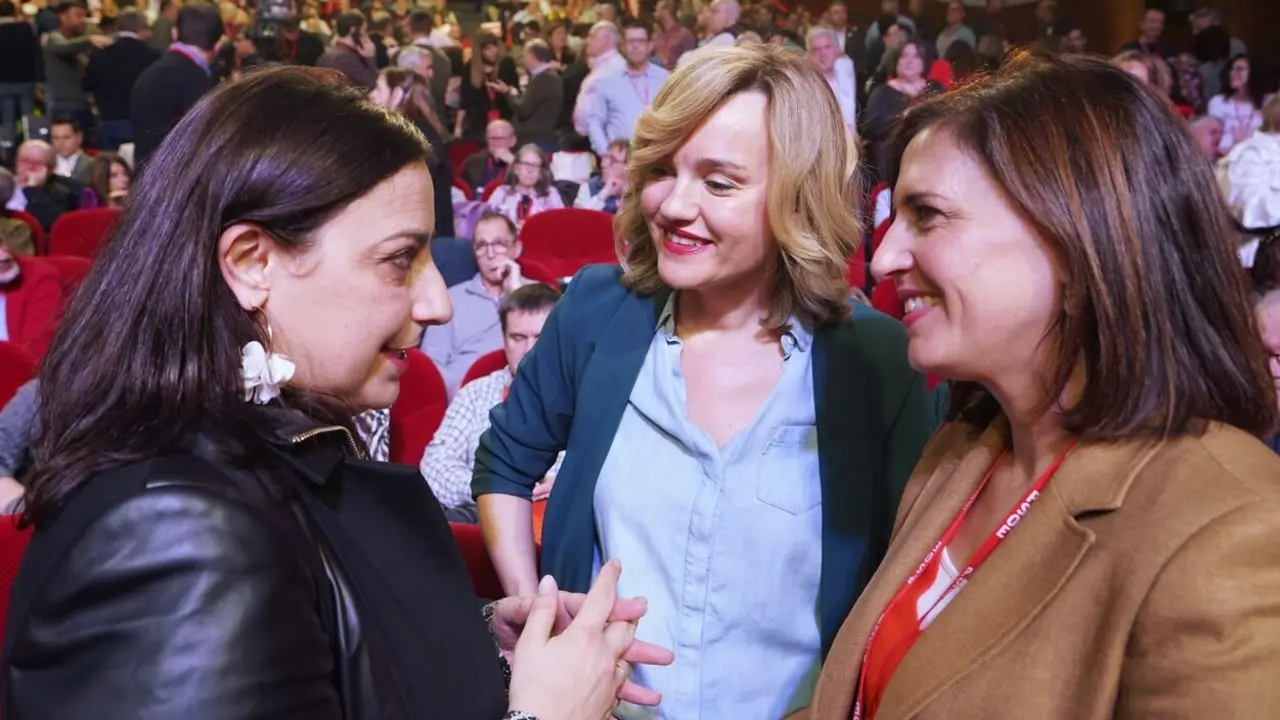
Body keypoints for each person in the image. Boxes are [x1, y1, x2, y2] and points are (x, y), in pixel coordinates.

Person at [2, 66, 673, 720]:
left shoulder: (256, 458)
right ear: (252, 264)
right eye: (397, 260)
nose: (437, 303)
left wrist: (468, 645)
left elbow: (306, 639)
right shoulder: (173, 533)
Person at [806, 50, 1280, 720]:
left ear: (1075, 233)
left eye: (929, 215)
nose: (883, 257)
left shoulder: (1231, 529)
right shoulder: (966, 446)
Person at [474, 44, 937, 720]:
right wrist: (544, 616)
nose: (674, 205)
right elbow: (505, 464)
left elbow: (910, 583)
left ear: (796, 197)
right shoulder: (598, 311)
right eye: (662, 169)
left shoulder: (877, 361)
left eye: (719, 182)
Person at [421, 282, 562, 522]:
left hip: (560, 519)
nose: (529, 349)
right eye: (518, 337)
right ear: (503, 339)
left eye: (540, 337)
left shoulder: (582, 392)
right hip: (483, 519)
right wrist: (496, 488)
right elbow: (434, 466)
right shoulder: (475, 393)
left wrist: (561, 483)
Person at [129, 1, 220, 168]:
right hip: (175, 182)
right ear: (218, 44)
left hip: (148, 179)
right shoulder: (198, 80)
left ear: (174, 33)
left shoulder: (151, 72)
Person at [370, 67, 455, 237]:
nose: (371, 94)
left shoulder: (410, 136)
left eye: (379, 88)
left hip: (420, 238)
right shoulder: (417, 130)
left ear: (397, 94)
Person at [485, 144, 565, 227]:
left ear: (541, 173)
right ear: (516, 169)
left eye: (535, 166)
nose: (530, 170)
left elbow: (560, 226)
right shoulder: (502, 193)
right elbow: (487, 224)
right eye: (525, 164)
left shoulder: (551, 194)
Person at [1208, 54, 1272, 156]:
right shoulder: (1218, 102)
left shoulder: (1268, 102)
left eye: (1240, 69)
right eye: (1231, 69)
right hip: (1224, 161)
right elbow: (1211, 145)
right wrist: (1236, 146)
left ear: (1253, 73)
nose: (1233, 73)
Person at [317, 10, 379, 90]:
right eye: (364, 30)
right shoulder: (345, 58)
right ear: (353, 30)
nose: (366, 36)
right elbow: (371, 84)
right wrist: (370, 57)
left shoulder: (325, 55)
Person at [573, 138, 628, 214]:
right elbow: (577, 218)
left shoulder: (640, 194)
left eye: (612, 160)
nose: (603, 164)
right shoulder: (588, 187)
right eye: (605, 157)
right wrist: (602, 195)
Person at [49, 117, 93, 185]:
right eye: (55, 138)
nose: (60, 143)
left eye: (66, 137)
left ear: (79, 138)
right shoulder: (45, 165)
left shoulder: (93, 166)